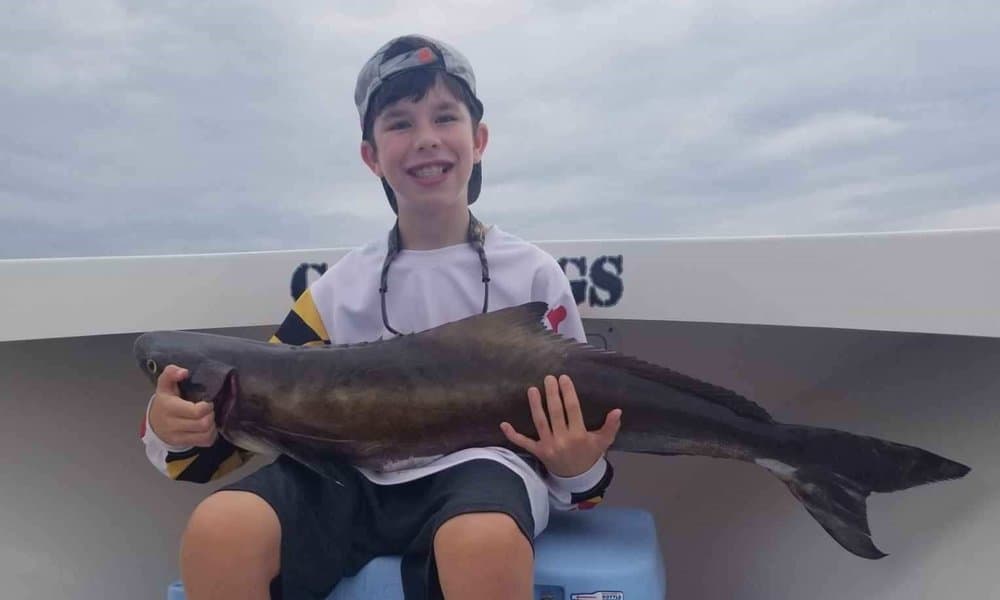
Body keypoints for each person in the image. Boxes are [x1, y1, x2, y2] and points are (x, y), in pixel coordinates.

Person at [141, 34, 622, 600]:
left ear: (479, 139)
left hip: (484, 471)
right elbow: (237, 435)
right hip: (344, 476)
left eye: (445, 117)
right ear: (371, 155)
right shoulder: (332, 295)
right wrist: (170, 429)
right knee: (218, 531)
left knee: (483, 542)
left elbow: (583, 471)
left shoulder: (535, 278)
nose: (425, 139)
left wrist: (579, 470)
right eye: (398, 123)